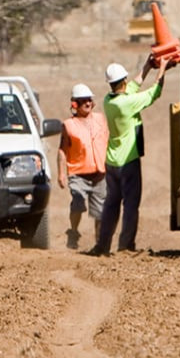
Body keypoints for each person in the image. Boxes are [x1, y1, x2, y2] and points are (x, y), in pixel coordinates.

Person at [89, 57, 175, 255]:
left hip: (112, 160)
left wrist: (147, 67)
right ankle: (126, 245)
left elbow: (133, 87)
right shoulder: (126, 104)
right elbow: (155, 92)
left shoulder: (109, 101)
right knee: (130, 205)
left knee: (111, 205)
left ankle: (102, 245)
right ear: (123, 81)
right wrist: (162, 68)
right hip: (128, 161)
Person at [56, 83, 107, 250]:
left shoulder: (100, 119)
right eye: (83, 100)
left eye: (89, 100)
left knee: (100, 211)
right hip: (78, 173)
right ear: (74, 104)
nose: (87, 103)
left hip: (100, 172)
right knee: (78, 203)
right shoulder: (68, 125)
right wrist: (61, 174)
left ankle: (100, 243)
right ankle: (73, 232)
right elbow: (62, 150)